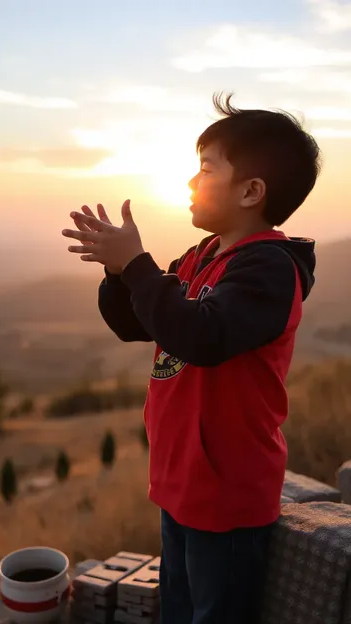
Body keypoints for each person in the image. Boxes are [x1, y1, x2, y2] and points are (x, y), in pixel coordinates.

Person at [62, 92, 321, 624]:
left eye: (205, 168)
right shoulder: (203, 256)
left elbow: (201, 337)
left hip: (227, 492)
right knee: (178, 609)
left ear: (251, 191)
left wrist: (136, 264)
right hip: (182, 479)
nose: (190, 182)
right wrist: (119, 272)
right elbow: (137, 323)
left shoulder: (270, 269)